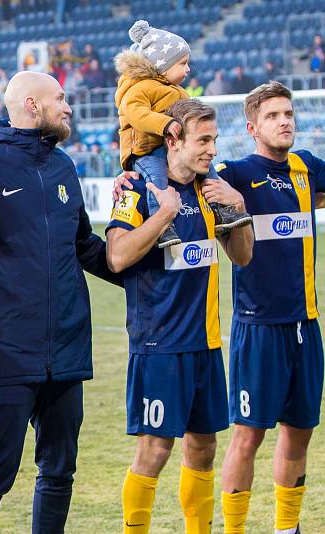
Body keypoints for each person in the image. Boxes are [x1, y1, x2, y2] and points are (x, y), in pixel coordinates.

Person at [0, 71, 121, 534]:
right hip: (5, 348)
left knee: (60, 469)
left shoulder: (63, 165)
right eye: (61, 99)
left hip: (66, 346)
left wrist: (137, 275)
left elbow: (83, 244)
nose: (68, 108)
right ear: (32, 104)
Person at [107, 98, 254, 533]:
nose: (212, 149)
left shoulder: (214, 190)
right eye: (203, 140)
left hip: (206, 345)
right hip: (159, 344)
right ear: (173, 139)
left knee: (204, 448)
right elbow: (116, 257)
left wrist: (237, 205)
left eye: (215, 139)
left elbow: (242, 257)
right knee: (155, 451)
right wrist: (163, 216)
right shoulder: (138, 189)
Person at [215, 82, 325, 534]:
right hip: (258, 328)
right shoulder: (236, 172)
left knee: (300, 432)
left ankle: (287, 528)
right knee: (248, 435)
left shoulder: (307, 168)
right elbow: (194, 182)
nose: (285, 121)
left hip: (307, 325)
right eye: (274, 115)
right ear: (252, 126)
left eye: (289, 114)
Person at [115, 20, 251, 249]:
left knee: (210, 172)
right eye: (183, 63)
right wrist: (166, 123)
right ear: (162, 65)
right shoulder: (138, 88)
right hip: (143, 151)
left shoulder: (179, 92)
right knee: (157, 182)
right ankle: (162, 225)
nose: (188, 69)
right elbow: (136, 114)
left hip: (167, 147)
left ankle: (220, 210)